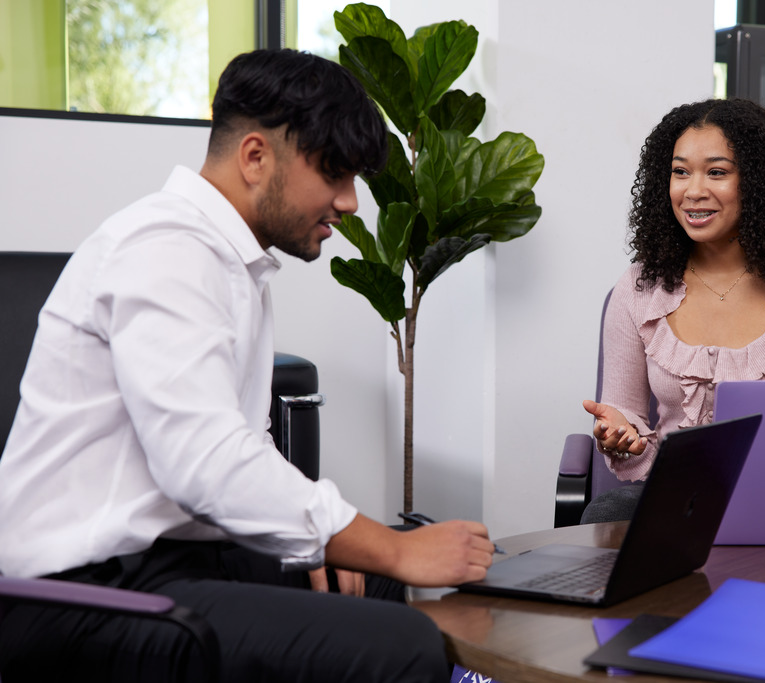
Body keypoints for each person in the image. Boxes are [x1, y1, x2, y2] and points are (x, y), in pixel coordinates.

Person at [0, 49, 495, 683]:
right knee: (398, 641)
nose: (348, 203)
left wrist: (319, 538)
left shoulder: (231, 262)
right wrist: (391, 545)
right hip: (80, 601)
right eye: (335, 174)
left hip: (175, 561)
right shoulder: (166, 252)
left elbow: (243, 445)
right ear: (256, 157)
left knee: (370, 587)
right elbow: (205, 464)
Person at [580, 97, 765, 523]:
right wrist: (619, 431)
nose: (693, 191)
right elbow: (624, 410)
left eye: (716, 172)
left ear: (757, 183)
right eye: (680, 172)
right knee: (607, 513)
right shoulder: (639, 287)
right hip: (676, 500)